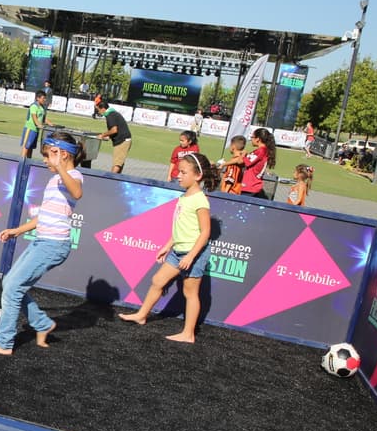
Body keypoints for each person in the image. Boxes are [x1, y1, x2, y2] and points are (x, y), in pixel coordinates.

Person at [0, 132, 85, 355]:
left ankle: (4, 343)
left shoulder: (73, 175)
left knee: (13, 288)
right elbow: (43, 216)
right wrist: (17, 231)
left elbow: (77, 192)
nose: (44, 160)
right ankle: (43, 324)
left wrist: (60, 166)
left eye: (48, 155)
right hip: (41, 241)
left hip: (54, 245)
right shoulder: (55, 179)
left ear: (62, 154)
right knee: (10, 282)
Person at [118, 152, 221, 343]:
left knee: (190, 293)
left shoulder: (200, 199)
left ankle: (188, 334)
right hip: (178, 251)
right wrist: (167, 246)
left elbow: (205, 232)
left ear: (197, 175)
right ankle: (142, 315)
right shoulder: (185, 196)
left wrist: (191, 256)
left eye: (183, 172)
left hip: (194, 254)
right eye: (178, 171)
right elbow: (180, 228)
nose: (178, 175)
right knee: (158, 280)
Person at [94, 96, 132, 173]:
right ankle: (115, 179)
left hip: (122, 141)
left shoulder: (110, 115)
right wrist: (109, 136)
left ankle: (110, 180)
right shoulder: (113, 113)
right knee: (119, 163)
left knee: (117, 164)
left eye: (98, 110)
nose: (98, 112)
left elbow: (114, 130)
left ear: (103, 108)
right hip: (124, 139)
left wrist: (103, 135)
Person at [240, 128, 277, 199]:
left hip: (250, 185)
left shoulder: (260, 151)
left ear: (258, 139)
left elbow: (245, 162)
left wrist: (242, 155)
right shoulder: (264, 150)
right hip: (254, 185)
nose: (251, 139)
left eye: (252, 137)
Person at [20, 90, 47, 159]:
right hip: (30, 129)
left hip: (36, 130)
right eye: (43, 98)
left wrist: (51, 124)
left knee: (31, 147)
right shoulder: (34, 106)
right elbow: (34, 117)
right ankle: (21, 163)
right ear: (38, 98)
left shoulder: (42, 107)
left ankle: (28, 163)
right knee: (26, 146)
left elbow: (44, 119)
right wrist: (39, 125)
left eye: (45, 98)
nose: (44, 100)